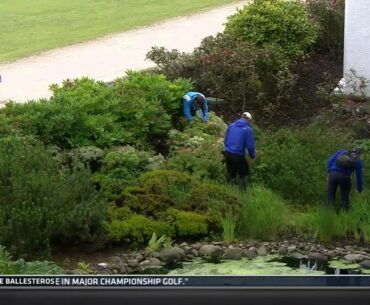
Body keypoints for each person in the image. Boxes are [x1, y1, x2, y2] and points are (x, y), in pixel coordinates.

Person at [223, 112, 256, 191]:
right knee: (244, 174)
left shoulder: (231, 125)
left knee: (231, 173)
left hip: (227, 153)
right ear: (248, 120)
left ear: (241, 117)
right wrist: (253, 155)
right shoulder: (248, 130)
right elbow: (250, 146)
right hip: (238, 155)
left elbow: (225, 141)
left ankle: (228, 192)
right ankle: (242, 194)